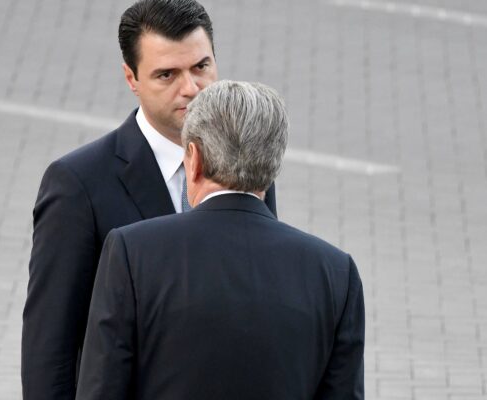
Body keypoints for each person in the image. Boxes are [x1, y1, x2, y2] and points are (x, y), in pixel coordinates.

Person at [21, 0, 277, 398]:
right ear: (131, 77)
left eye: (201, 66)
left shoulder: (246, 162)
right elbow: (49, 347)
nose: (191, 88)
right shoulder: (78, 185)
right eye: (166, 74)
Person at [75, 80, 365, 400]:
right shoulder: (334, 273)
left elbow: (102, 389)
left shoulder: (133, 253)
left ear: (194, 158)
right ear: (273, 164)